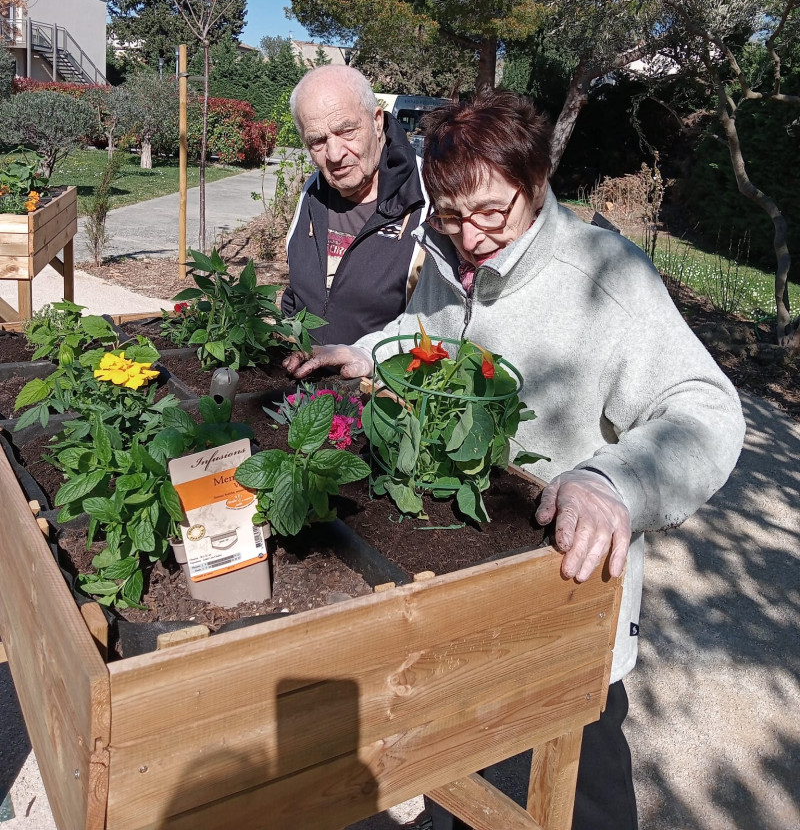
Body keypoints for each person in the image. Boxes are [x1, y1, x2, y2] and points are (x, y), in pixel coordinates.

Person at [285, 90, 746, 829]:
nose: (470, 236)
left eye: (491, 213)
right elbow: (426, 325)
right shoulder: (453, 250)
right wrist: (364, 351)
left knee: (577, 792)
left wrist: (610, 482)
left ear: (534, 185)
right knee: (460, 778)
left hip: (565, 600)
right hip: (466, 589)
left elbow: (709, 411)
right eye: (451, 215)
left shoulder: (606, 280)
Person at [281, 65, 429, 345]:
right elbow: (297, 294)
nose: (334, 154)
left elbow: (443, 322)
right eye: (317, 141)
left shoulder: (428, 196)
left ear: (376, 121)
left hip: (383, 385)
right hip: (305, 384)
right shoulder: (312, 191)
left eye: (346, 131)